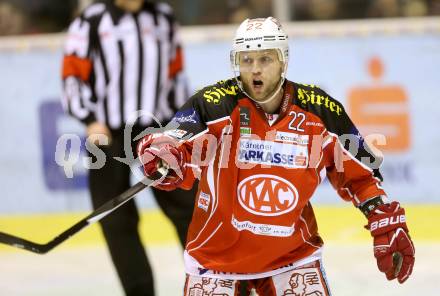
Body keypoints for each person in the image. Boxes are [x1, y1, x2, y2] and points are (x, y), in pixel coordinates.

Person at [137, 17, 415, 295]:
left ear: (283, 61)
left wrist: (381, 216)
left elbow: (360, 175)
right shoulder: (212, 104)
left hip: (293, 259)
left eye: (265, 59)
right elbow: (173, 141)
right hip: (215, 260)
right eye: (247, 60)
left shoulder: (321, 111)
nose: (255, 70)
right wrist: (161, 153)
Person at [61, 0, 196, 295]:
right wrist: (90, 120)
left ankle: (209, 282)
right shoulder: (92, 20)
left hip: (156, 129)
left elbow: (176, 74)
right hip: (107, 131)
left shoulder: (163, 17)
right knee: (114, 217)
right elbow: (72, 75)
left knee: (188, 207)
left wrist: (182, 126)